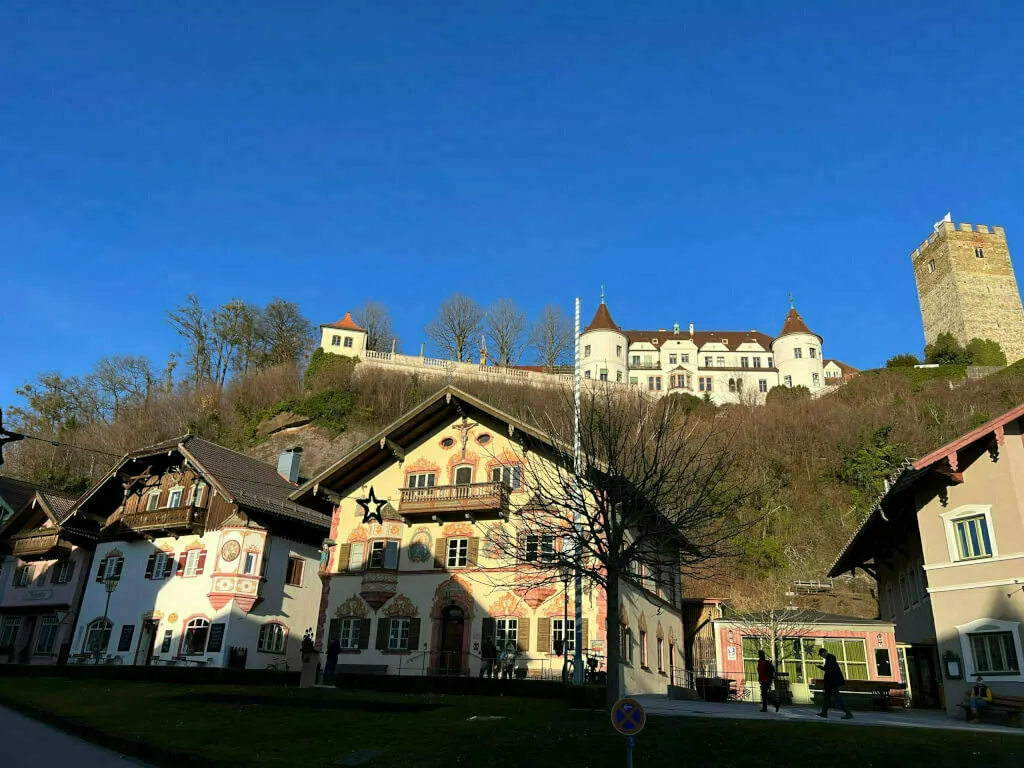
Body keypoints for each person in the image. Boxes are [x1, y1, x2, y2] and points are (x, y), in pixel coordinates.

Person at [816, 647, 853, 720]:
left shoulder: (830, 658)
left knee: (838, 698)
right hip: (831, 682)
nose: (822, 656)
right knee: (826, 697)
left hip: (832, 682)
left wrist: (822, 668)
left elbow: (829, 671)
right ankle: (824, 712)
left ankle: (848, 713)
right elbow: (828, 670)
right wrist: (821, 667)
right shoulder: (830, 659)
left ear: (824, 652)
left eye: (821, 655)